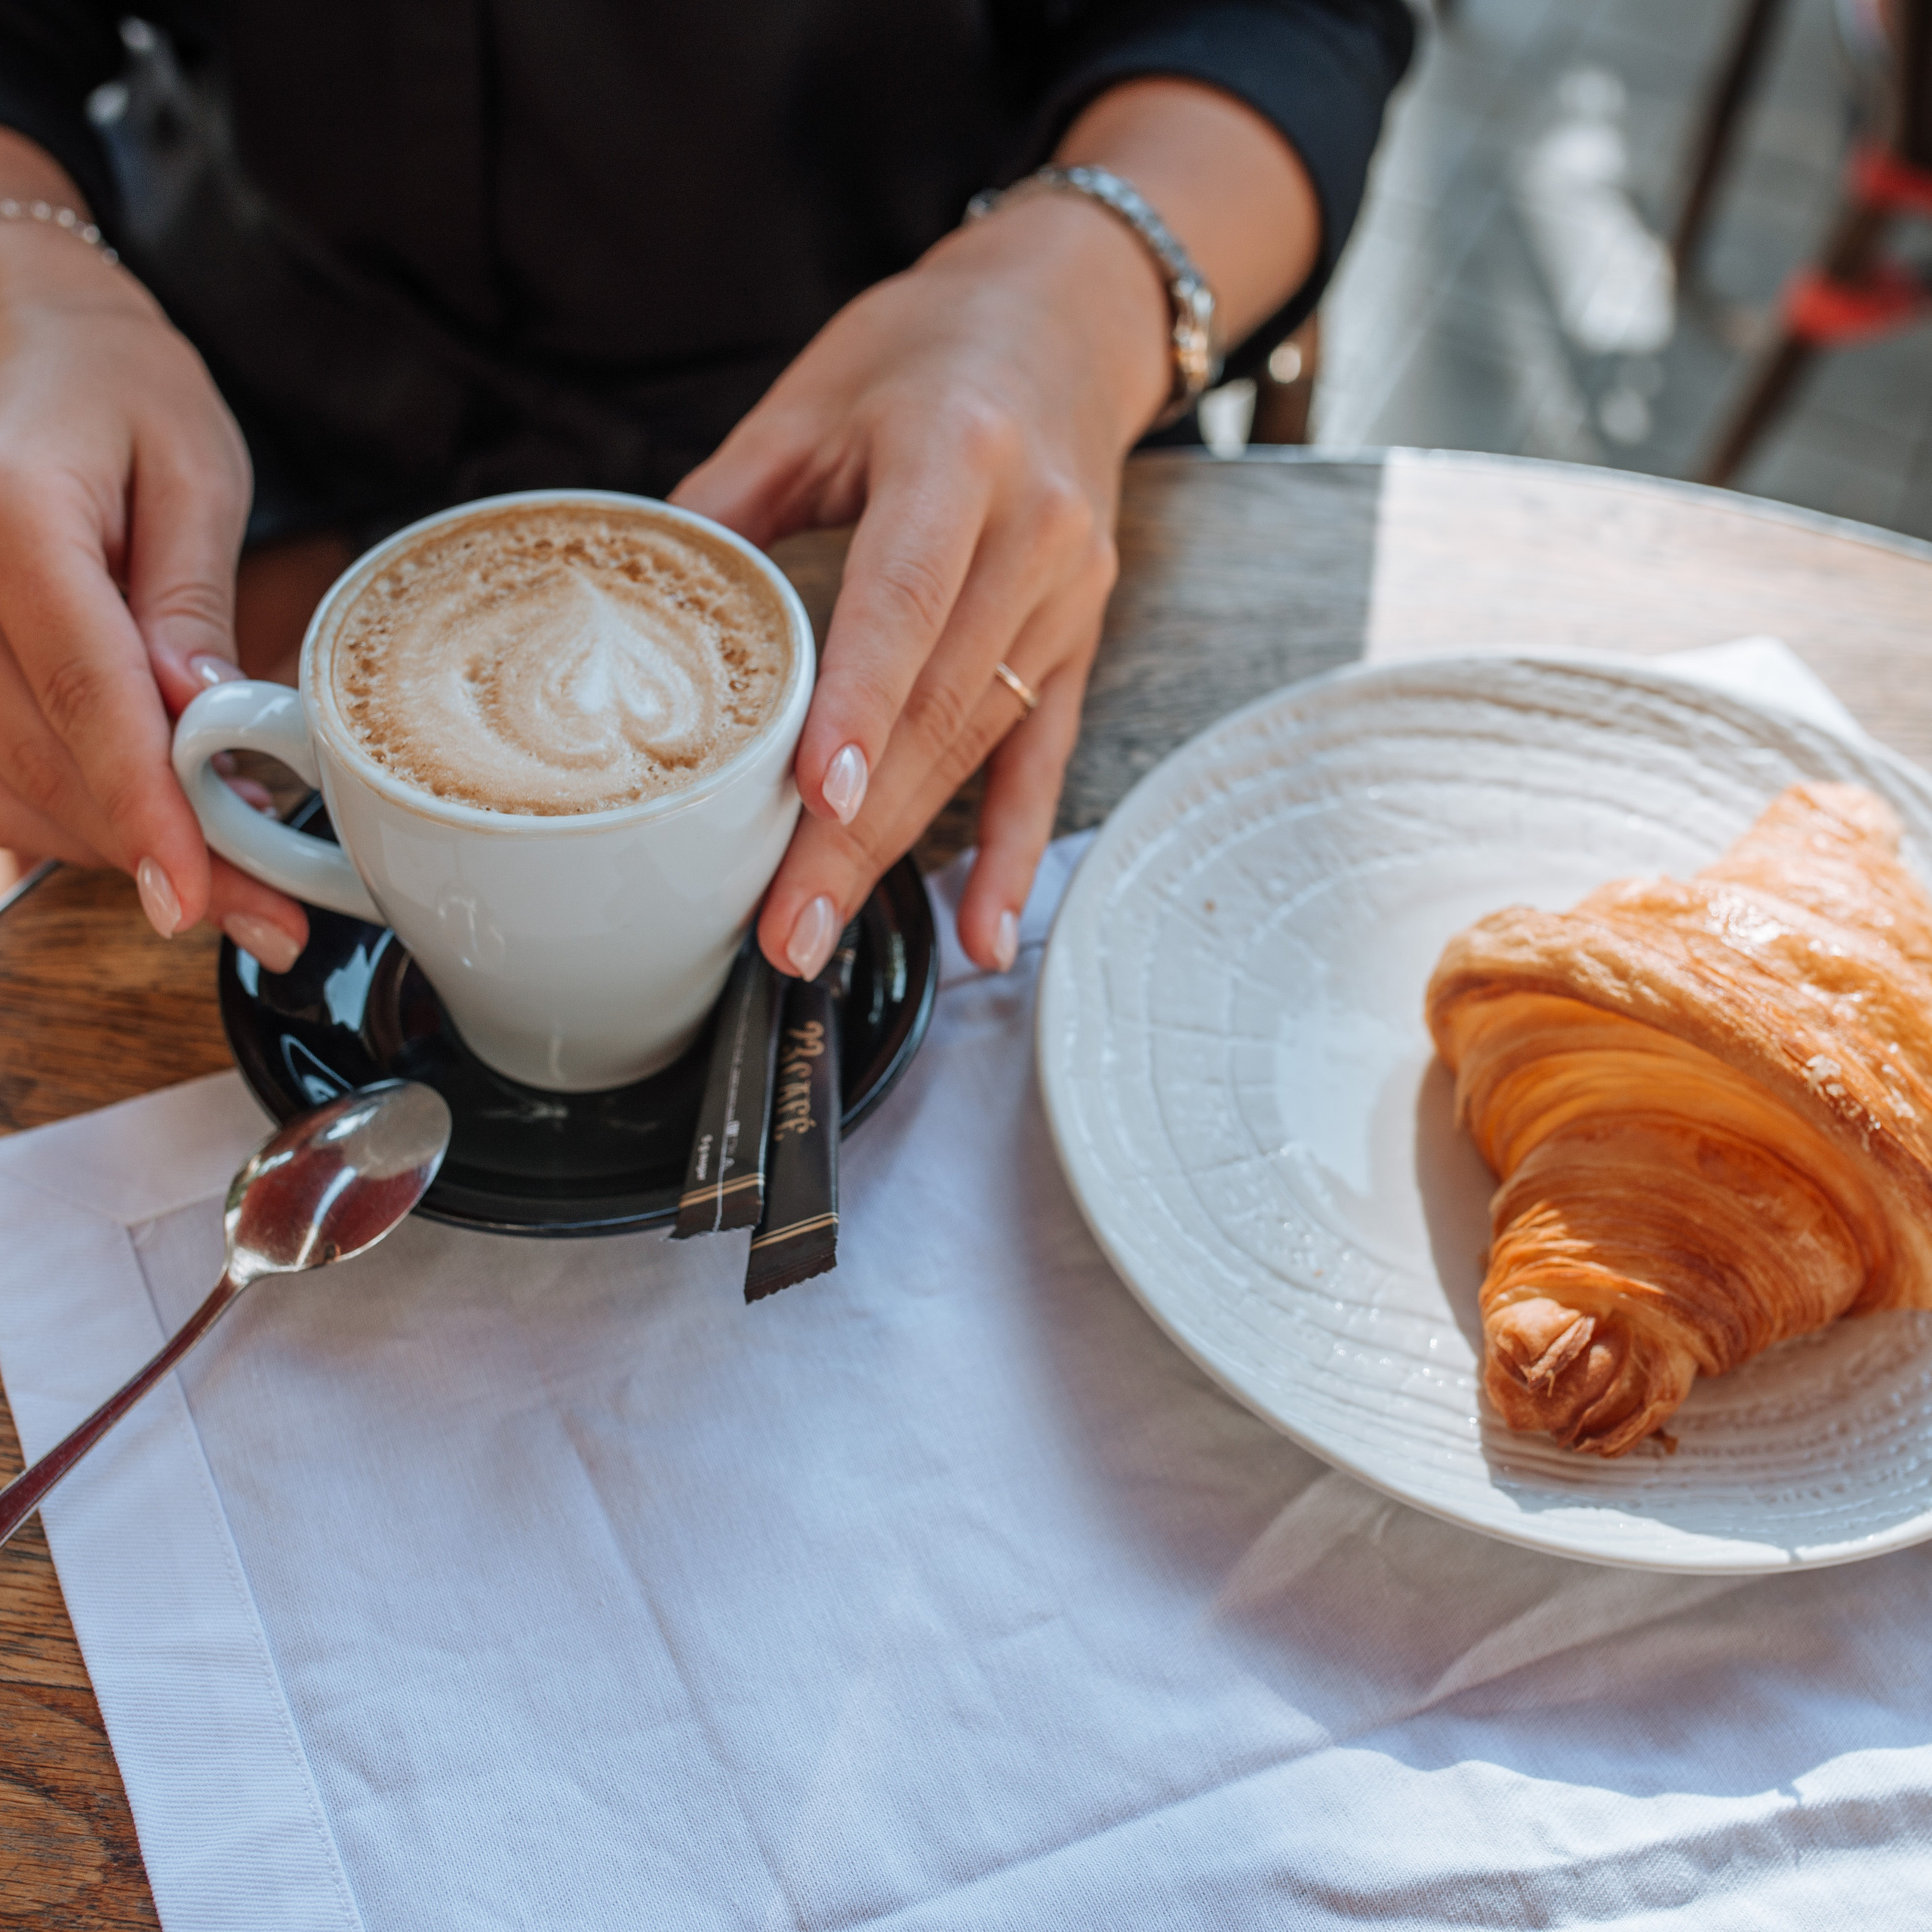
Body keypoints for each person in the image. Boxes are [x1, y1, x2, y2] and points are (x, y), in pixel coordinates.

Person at [0, 2, 1411, 983]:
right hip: (227, 431)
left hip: (926, 456)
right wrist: (25, 260)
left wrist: (1081, 298)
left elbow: (1286, 16)